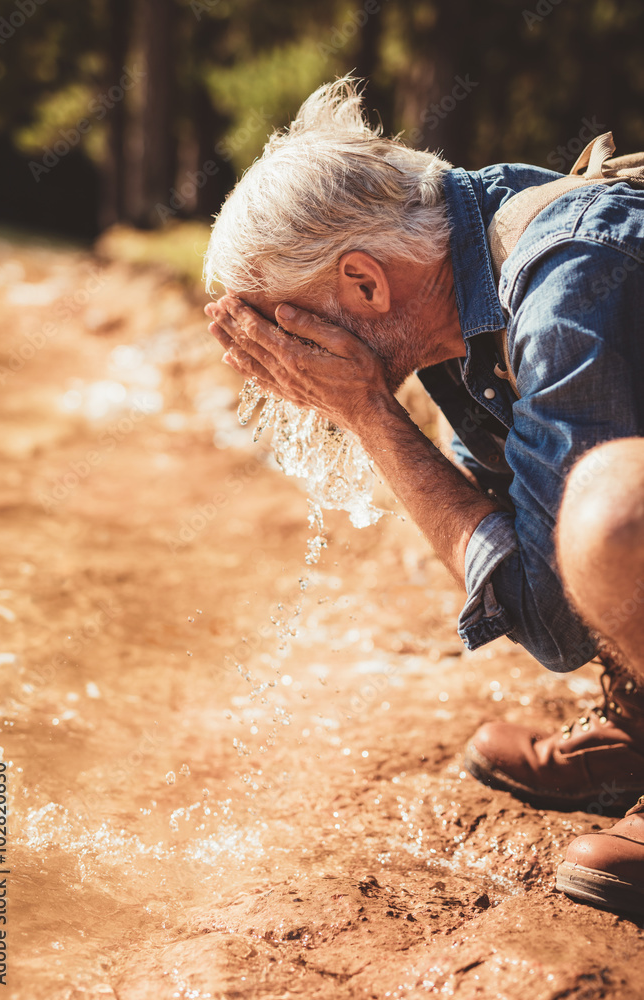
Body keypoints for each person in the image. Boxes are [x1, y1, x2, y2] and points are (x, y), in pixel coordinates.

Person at [204, 77, 644, 916]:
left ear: (365, 284)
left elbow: (557, 618)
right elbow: (527, 538)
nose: (283, 372)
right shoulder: (466, 268)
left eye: (287, 328)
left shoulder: (565, 284)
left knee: (612, 513)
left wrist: (367, 411)